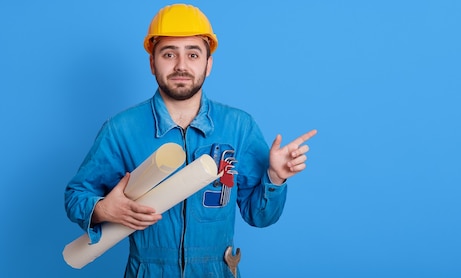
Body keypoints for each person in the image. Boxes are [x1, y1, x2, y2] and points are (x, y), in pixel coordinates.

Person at [64, 3, 316, 277]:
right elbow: (76, 196)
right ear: (152, 63)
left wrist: (275, 178)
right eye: (169, 54)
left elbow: (261, 216)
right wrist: (101, 209)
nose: (181, 65)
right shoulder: (121, 129)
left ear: (208, 64)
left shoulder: (239, 126)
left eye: (193, 54)